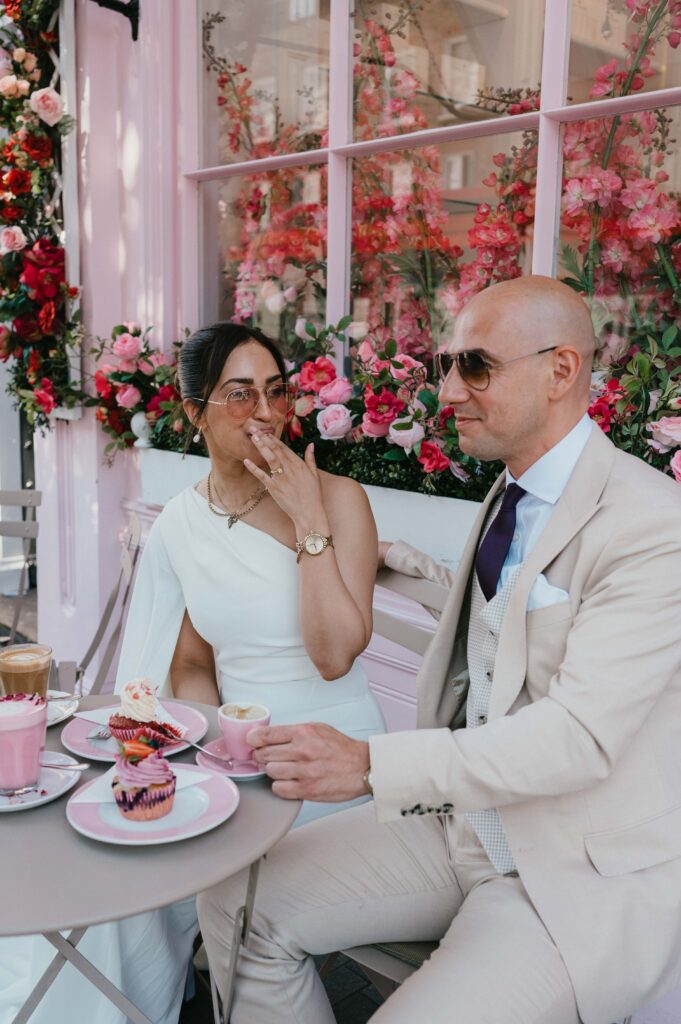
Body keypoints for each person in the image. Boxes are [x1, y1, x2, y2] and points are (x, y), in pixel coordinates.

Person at [196, 276, 681, 1024]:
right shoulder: (513, 490)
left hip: (564, 874)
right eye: (445, 366)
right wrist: (401, 565)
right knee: (234, 900)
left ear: (561, 372)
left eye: (476, 367)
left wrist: (365, 763)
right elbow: (517, 608)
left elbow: (577, 739)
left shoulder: (653, 526)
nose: (447, 391)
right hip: (463, 822)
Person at [0, 322, 384, 1024]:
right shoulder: (181, 521)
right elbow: (190, 662)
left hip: (334, 761)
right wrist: (214, 753)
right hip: (240, 760)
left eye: (276, 392)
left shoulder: (340, 499)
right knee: (122, 868)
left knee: (192, 877)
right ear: (193, 413)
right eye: (239, 395)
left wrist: (306, 519)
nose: (265, 412)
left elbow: (334, 656)